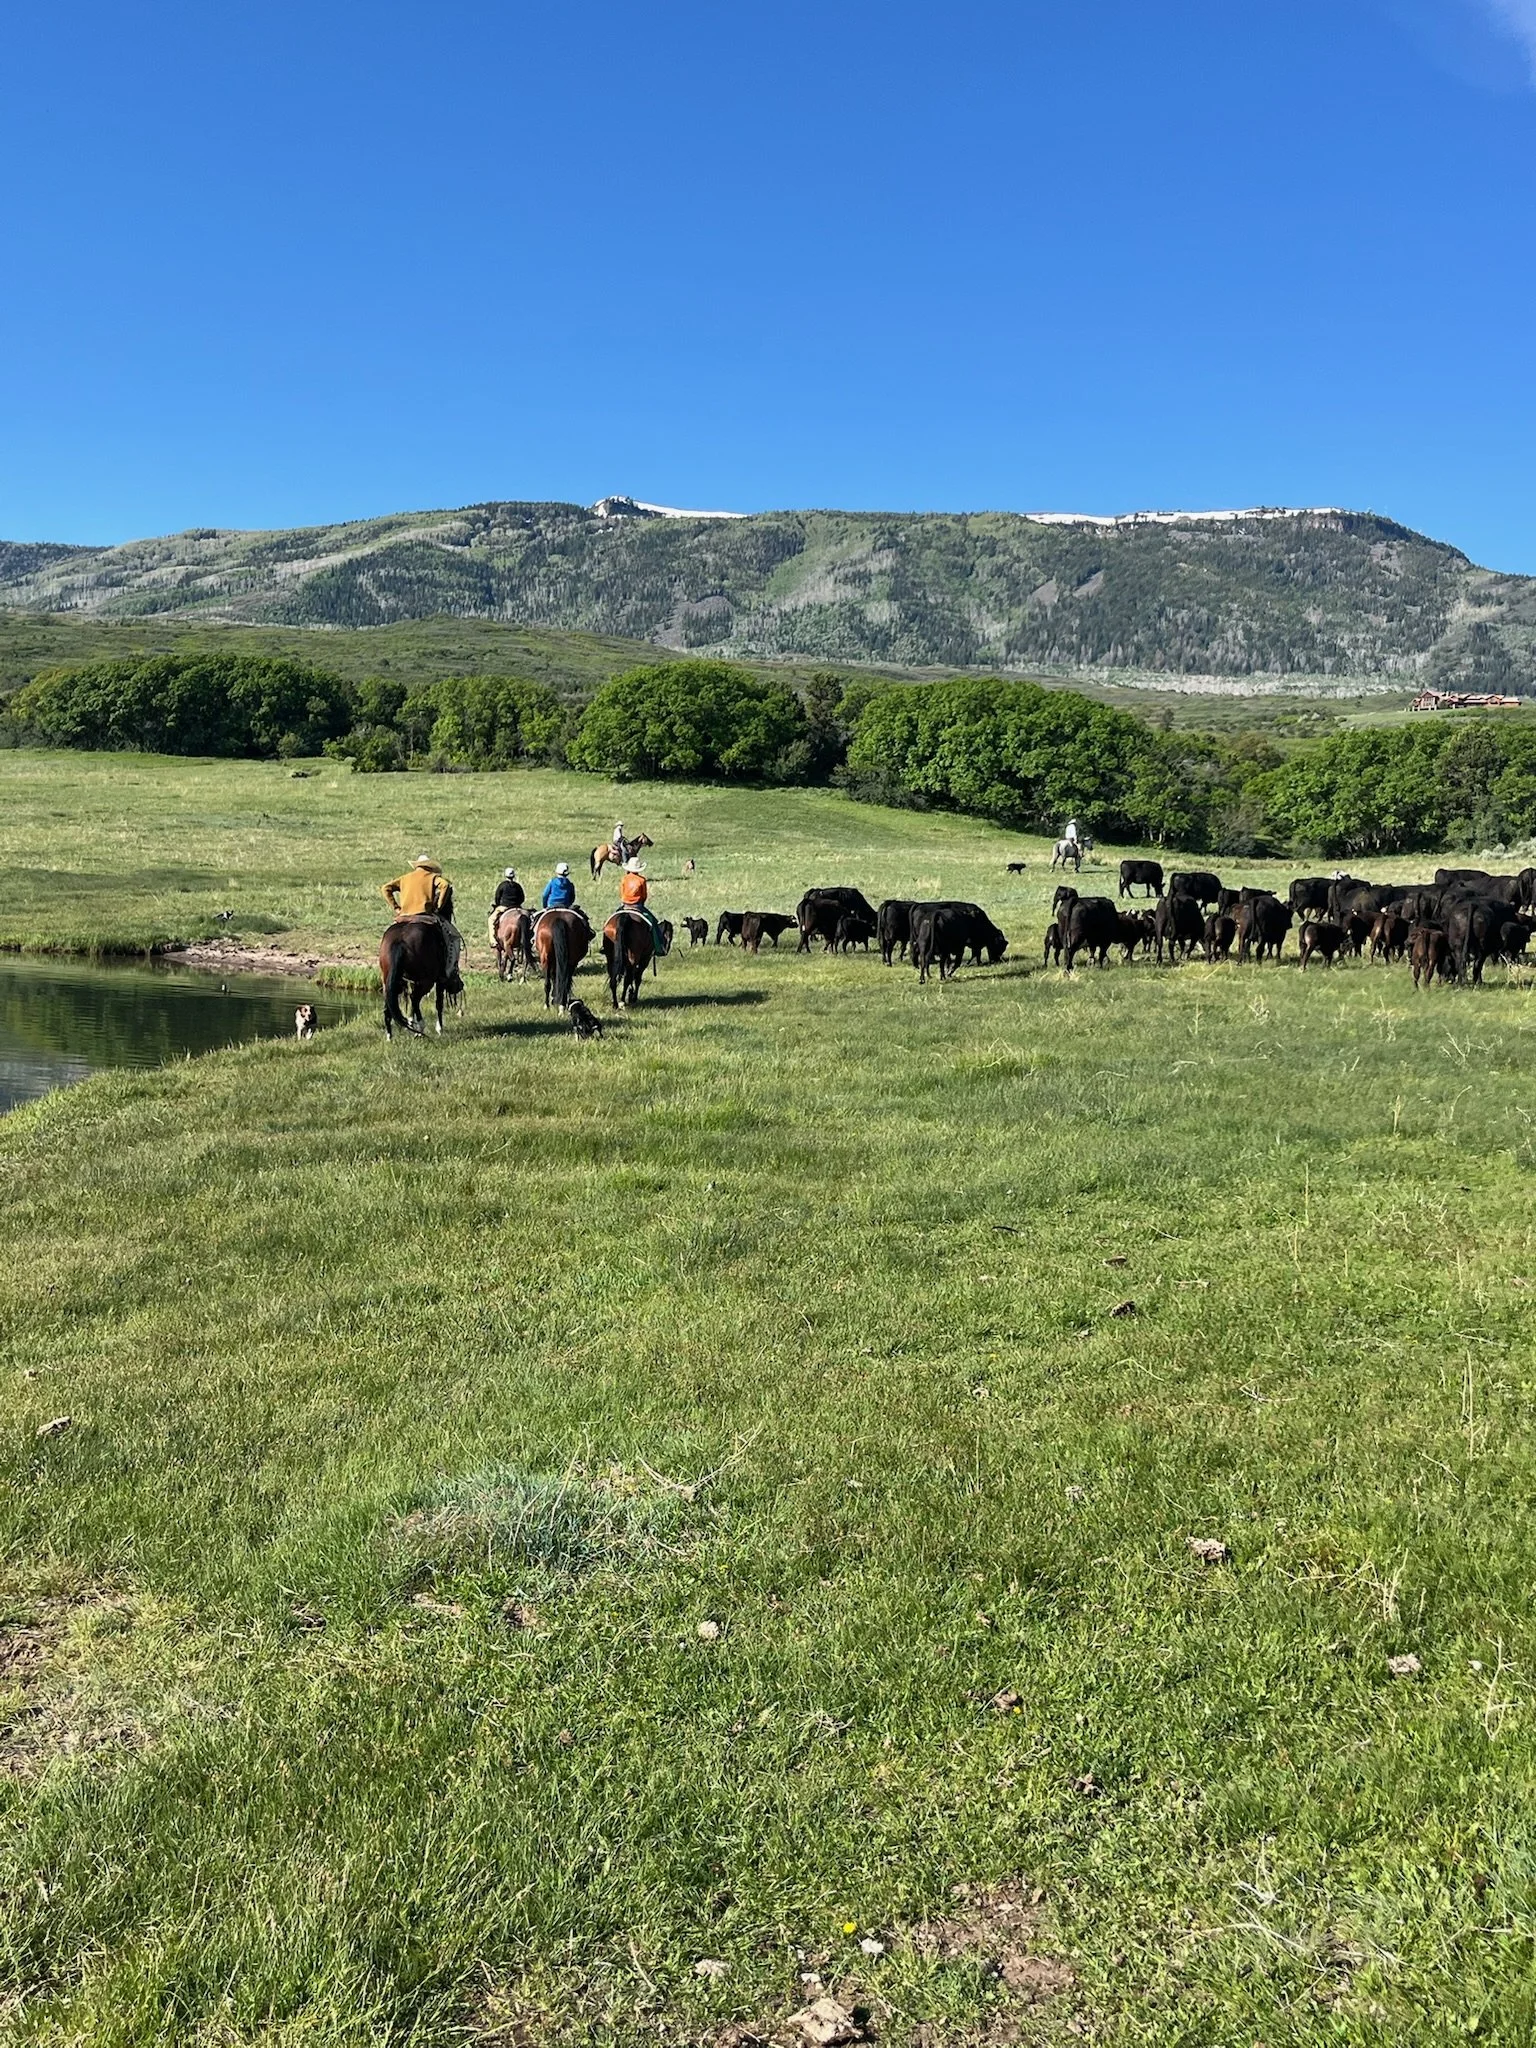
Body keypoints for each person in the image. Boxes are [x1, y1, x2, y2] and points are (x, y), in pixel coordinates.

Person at [382, 853, 463, 981]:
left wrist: (396, 907)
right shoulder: (432, 877)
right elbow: (445, 885)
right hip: (424, 915)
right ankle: (447, 973)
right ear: (429, 867)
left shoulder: (405, 878)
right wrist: (439, 906)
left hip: (403, 916)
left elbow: (386, 888)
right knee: (450, 938)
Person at [618, 857, 669, 955]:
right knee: (653, 923)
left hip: (625, 905)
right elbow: (644, 896)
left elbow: (622, 893)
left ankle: (606, 945)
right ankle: (659, 947)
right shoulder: (642, 880)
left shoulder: (624, 879)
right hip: (637, 906)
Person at [540, 861, 592, 935]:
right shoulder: (570, 884)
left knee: (535, 920)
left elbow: (545, 895)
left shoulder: (552, 882)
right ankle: (588, 932)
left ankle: (532, 937)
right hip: (566, 906)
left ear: (557, 872)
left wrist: (545, 906)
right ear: (567, 873)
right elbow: (572, 897)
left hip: (551, 906)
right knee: (583, 919)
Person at [487, 866, 524, 946]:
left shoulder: (502, 885)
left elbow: (497, 897)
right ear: (514, 876)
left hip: (504, 907)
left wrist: (497, 905)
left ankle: (493, 941)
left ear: (505, 875)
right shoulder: (518, 886)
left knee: (491, 919)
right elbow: (522, 898)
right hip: (517, 907)